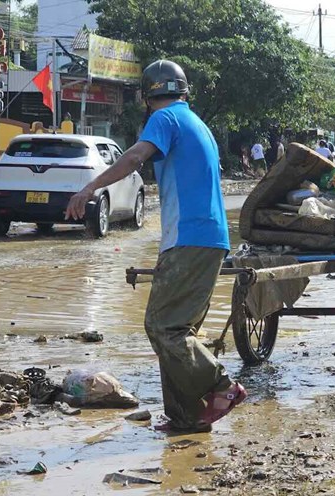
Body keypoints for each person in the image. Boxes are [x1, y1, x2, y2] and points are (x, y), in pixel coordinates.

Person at [65, 59, 246, 433]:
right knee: (178, 332)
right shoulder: (198, 124)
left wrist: (90, 187)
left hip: (189, 237)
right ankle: (187, 417)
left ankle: (221, 385)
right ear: (183, 89)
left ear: (147, 97)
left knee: (163, 327)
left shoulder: (165, 119)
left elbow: (133, 158)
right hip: (208, 237)